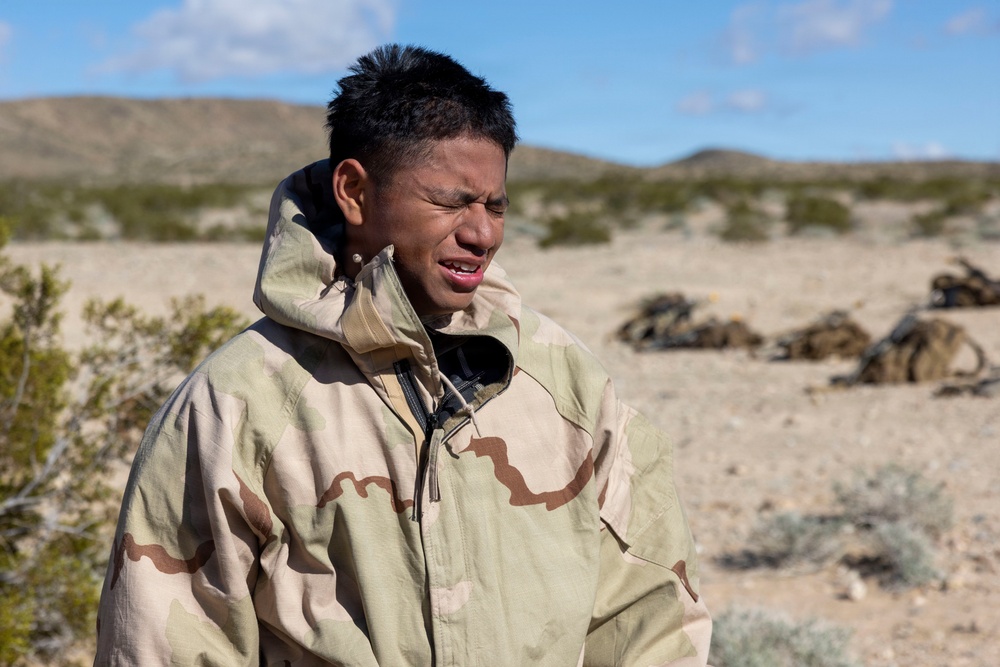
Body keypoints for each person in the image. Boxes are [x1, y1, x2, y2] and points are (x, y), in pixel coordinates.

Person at [95, 44, 712, 665]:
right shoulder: (237, 402)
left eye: (495, 205)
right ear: (355, 191)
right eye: (450, 201)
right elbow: (165, 643)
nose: (483, 233)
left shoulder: (565, 382)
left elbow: (652, 615)